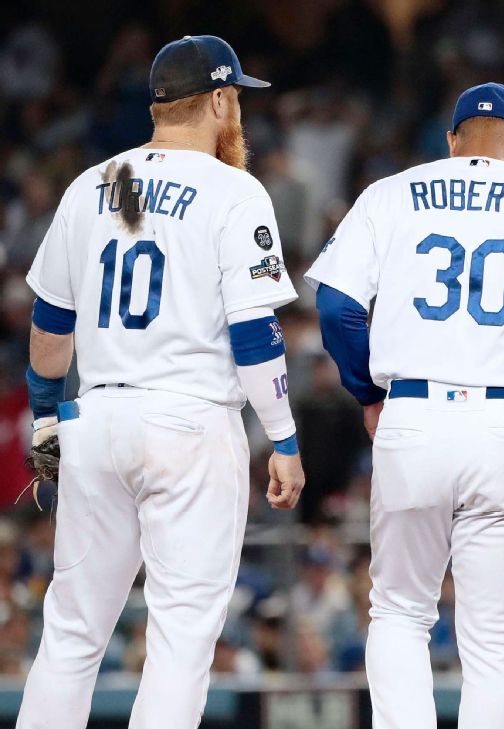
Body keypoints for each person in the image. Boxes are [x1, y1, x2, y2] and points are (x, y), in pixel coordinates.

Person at [306, 82, 504, 728]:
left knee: (399, 612)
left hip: (413, 412)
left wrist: (368, 393)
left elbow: (336, 308)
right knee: (496, 642)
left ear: (452, 141)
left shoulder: (390, 194)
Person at [18, 35, 304, 728]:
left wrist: (48, 427)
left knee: (73, 634)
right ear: (217, 98)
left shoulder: (92, 184)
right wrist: (284, 438)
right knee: (180, 639)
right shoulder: (234, 189)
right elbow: (254, 334)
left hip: (99, 416)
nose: (238, 112)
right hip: (190, 422)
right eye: (236, 98)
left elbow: (50, 328)